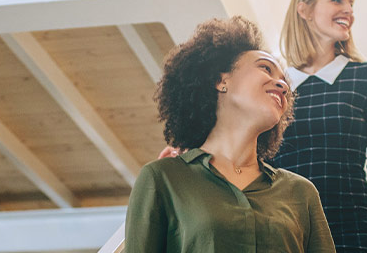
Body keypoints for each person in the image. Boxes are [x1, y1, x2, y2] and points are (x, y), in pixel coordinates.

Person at [125, 16, 336, 253]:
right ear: (220, 80)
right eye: (266, 68)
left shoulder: (301, 192)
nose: (282, 85)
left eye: (284, 81)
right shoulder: (162, 178)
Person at [269, 0, 367, 253]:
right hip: (282, 225)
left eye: (351, 4)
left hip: (352, 226)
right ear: (305, 10)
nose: (349, 11)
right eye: (337, 0)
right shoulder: (276, 82)